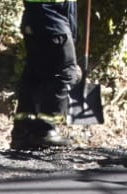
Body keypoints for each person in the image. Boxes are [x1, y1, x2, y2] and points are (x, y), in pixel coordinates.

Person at [12, 0, 81, 149]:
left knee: (35, 72)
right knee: (66, 72)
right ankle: (46, 129)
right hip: (53, 19)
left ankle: (23, 130)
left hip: (34, 17)